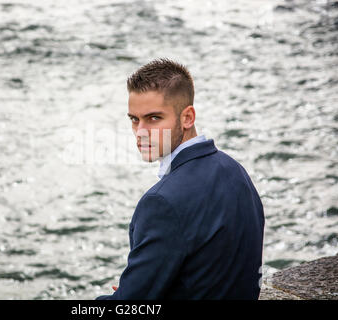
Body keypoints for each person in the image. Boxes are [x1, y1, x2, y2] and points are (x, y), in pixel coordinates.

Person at [95, 58, 265, 300]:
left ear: (187, 118)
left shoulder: (161, 202)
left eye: (154, 118)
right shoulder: (235, 171)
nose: (140, 132)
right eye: (134, 119)